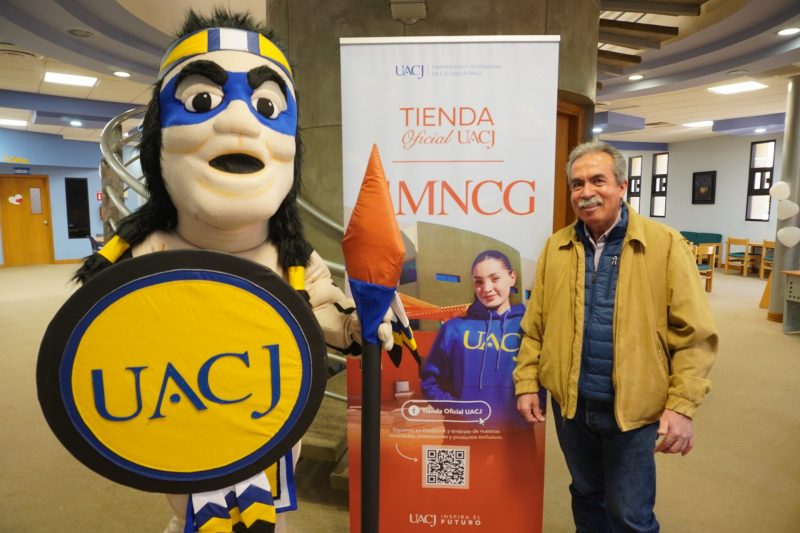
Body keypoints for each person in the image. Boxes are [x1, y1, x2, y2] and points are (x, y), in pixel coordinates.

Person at [74, 8, 390, 533]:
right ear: (157, 137)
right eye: (202, 101)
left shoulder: (289, 257)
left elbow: (321, 307)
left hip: (267, 425)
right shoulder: (146, 252)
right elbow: (103, 346)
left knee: (269, 516)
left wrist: (362, 318)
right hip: (182, 426)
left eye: (266, 106)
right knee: (193, 516)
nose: (241, 122)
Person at [513, 140, 718, 531]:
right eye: (577, 184)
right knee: (587, 497)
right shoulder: (556, 247)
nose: (586, 192)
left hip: (633, 411)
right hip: (571, 407)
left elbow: (695, 335)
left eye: (598, 180)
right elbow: (534, 327)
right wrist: (526, 383)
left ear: (622, 186)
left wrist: (681, 406)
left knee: (629, 515)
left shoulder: (665, 245)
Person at [421, 250, 525, 426]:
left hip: (516, 436)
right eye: (479, 281)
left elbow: (545, 376)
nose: (487, 288)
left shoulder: (528, 326)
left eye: (495, 278)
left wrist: (534, 405)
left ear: (512, 277)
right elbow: (430, 382)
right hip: (463, 433)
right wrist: (459, 410)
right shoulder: (454, 328)